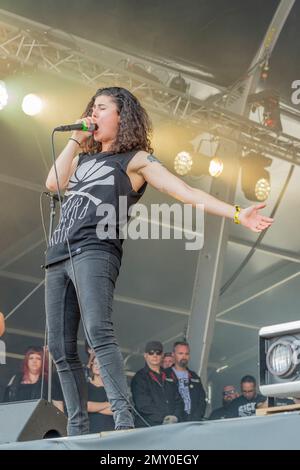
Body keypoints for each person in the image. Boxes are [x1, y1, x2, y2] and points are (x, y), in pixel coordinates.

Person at [45, 86, 274, 436]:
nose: (93, 113)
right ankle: (76, 427)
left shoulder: (134, 160)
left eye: (101, 108)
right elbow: (53, 182)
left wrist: (238, 213)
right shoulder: (83, 158)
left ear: (122, 117)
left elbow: (184, 192)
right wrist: (75, 140)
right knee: (61, 348)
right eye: (91, 108)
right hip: (59, 253)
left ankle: (122, 420)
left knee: (97, 332)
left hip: (94, 250)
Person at [131, 341, 184, 427]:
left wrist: (175, 417)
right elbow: (143, 405)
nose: (155, 355)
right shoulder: (139, 377)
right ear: (145, 355)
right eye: (151, 353)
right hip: (148, 427)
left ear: (162, 355)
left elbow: (179, 400)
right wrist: (164, 418)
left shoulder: (170, 375)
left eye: (158, 352)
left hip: (171, 426)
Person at [3, 346, 64, 412]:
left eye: (38, 358)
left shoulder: (49, 380)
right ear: (27, 361)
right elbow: (5, 403)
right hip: (16, 417)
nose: (34, 361)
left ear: (43, 362)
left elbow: (58, 405)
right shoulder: (16, 378)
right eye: (31, 358)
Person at [166, 341, 206, 421]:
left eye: (186, 354)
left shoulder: (195, 377)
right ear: (173, 354)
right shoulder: (165, 375)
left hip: (192, 423)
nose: (184, 356)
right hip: (172, 422)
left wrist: (196, 418)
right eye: (180, 353)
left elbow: (202, 401)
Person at [87, 356, 114, 433]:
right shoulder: (85, 386)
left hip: (111, 432)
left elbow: (118, 409)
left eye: (100, 364)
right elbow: (85, 406)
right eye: (95, 363)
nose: (97, 366)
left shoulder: (113, 389)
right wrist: (108, 404)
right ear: (91, 366)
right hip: (91, 431)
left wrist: (94, 408)